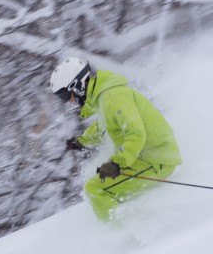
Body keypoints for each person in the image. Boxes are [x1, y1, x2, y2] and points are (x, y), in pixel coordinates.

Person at [49, 57, 182, 221]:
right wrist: (82, 141)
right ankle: (131, 217)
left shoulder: (112, 97)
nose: (69, 102)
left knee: (94, 189)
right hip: (149, 156)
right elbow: (105, 126)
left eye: (65, 96)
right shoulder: (105, 96)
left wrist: (117, 163)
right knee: (99, 182)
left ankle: (122, 231)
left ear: (76, 86)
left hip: (157, 160)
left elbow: (136, 133)